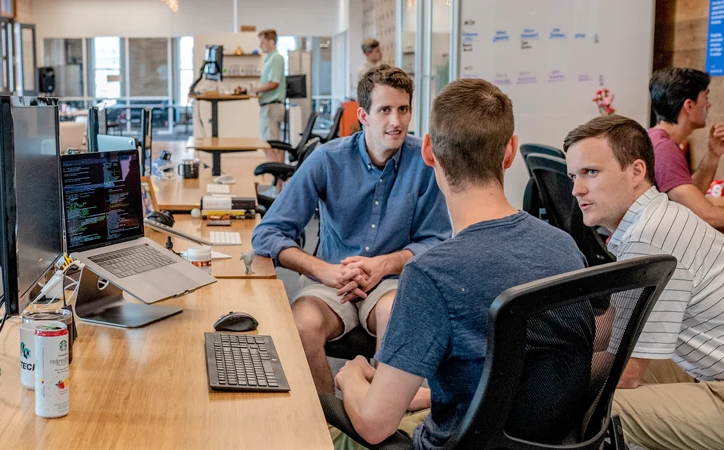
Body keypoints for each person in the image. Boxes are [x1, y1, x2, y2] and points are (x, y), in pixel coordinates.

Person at [332, 78, 595, 449]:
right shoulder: (563, 248)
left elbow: (375, 425)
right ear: (510, 152)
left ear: (427, 151)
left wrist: (351, 375)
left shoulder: (432, 274)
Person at [251, 65, 451, 394]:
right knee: (302, 326)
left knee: (397, 320)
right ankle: (330, 422)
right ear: (363, 115)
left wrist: (383, 264)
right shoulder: (327, 160)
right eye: (384, 110)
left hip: (390, 282)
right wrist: (324, 271)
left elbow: (437, 241)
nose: (396, 122)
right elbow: (267, 234)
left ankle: (377, 421)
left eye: (403, 110)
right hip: (330, 280)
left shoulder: (425, 162)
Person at [564, 115, 724, 450]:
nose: (577, 189)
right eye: (574, 176)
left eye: (591, 172)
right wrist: (538, 352)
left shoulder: (651, 237)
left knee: (599, 408)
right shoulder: (653, 220)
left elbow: (627, 373)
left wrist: (530, 384)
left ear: (637, 171)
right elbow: (615, 325)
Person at [648, 68, 724, 231]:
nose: (709, 104)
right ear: (689, 105)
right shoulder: (664, 149)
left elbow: (690, 200)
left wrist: (713, 155)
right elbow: (706, 215)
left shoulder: (655, 139)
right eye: (705, 97)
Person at [255, 29, 286, 164]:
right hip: (269, 107)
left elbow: (274, 83)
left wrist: (256, 89)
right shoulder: (269, 60)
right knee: (273, 145)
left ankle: (278, 182)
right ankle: (279, 181)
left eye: (262, 42)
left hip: (272, 107)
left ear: (271, 42)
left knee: (271, 146)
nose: (260, 45)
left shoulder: (276, 58)